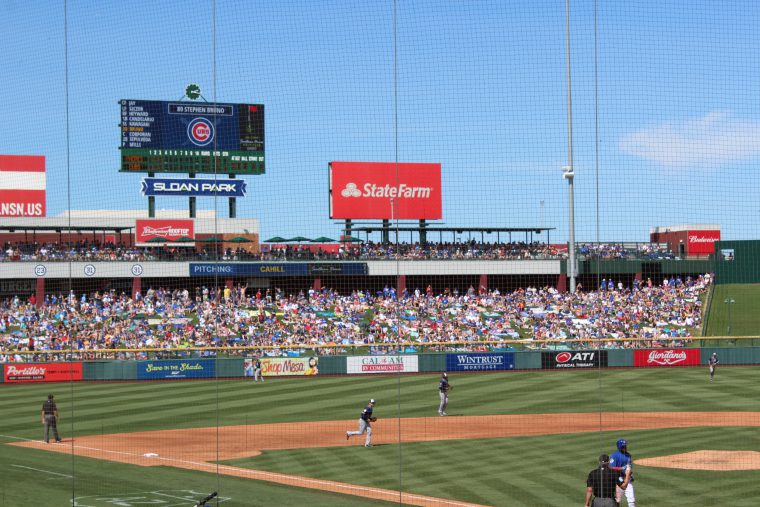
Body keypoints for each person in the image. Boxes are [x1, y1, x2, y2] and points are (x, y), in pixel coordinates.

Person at [610, 439, 635, 506]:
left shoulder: (628, 455)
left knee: (631, 499)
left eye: (625, 446)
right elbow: (611, 468)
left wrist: (630, 473)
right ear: (619, 447)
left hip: (628, 479)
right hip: (618, 480)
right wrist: (621, 468)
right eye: (623, 446)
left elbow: (629, 467)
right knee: (617, 500)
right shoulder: (614, 456)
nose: (625, 447)